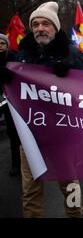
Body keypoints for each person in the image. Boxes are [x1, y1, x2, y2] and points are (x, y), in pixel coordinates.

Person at [14, 1, 83, 218]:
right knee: (30, 192)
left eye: (45, 23)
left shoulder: (72, 54)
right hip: (29, 136)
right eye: (35, 24)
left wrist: (70, 76)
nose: (39, 28)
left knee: (70, 187)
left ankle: (75, 215)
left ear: (55, 28)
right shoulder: (22, 54)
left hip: (62, 136)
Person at [0, 34, 21, 177]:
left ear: (7, 45)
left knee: (13, 133)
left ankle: (16, 164)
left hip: (11, 101)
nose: (0, 45)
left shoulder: (14, 58)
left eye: (2, 43)